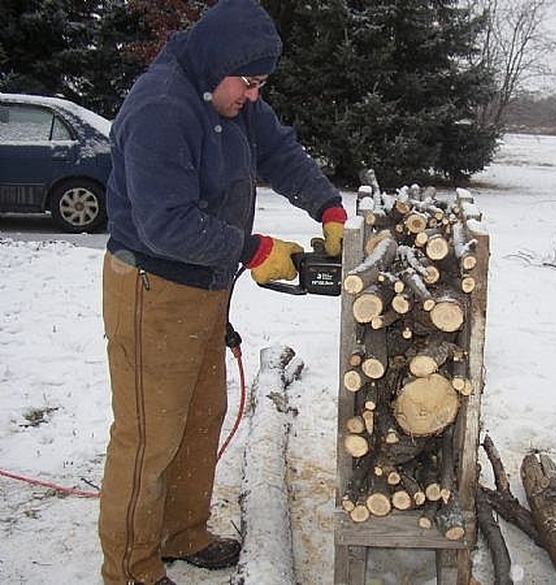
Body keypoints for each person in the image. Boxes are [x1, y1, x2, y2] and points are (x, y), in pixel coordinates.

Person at [98, 1, 347, 584]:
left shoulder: (229, 96)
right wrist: (252, 249)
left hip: (206, 286)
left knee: (200, 416)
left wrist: (327, 206)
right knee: (150, 433)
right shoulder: (161, 108)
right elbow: (166, 225)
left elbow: (279, 151)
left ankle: (183, 531)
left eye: (262, 85)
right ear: (218, 64)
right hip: (153, 288)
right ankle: (130, 568)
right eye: (249, 83)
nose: (254, 96)